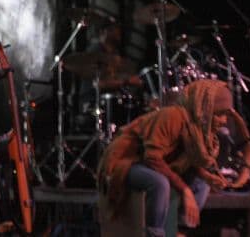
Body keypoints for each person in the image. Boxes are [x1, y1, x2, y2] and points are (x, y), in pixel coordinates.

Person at [97, 79, 234, 237]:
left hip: (151, 164)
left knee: (202, 183)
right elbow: (152, 158)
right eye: (219, 114)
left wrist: (207, 176)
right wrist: (185, 190)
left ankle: (180, 232)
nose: (224, 121)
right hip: (127, 161)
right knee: (159, 183)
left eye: (225, 115)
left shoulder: (197, 127)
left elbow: (189, 158)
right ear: (205, 109)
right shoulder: (173, 116)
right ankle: (155, 234)